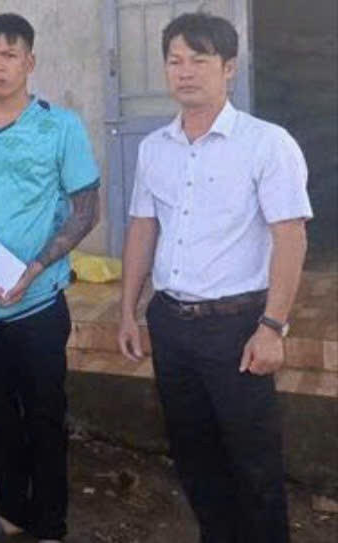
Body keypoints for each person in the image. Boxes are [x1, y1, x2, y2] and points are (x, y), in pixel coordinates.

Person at [118, 13, 310, 543]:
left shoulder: (267, 144)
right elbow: (142, 228)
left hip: (237, 328)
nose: (185, 72)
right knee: (194, 456)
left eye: (199, 60)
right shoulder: (154, 147)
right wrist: (128, 311)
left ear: (229, 68)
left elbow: (290, 237)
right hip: (171, 324)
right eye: (174, 61)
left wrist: (272, 326)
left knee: (254, 464)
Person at [0, 14, 100, 543]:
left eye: (9, 55)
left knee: (45, 417)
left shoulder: (60, 127)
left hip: (38, 303)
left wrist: (37, 266)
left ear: (30, 62)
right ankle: (10, 511)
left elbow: (86, 209)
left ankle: (49, 525)